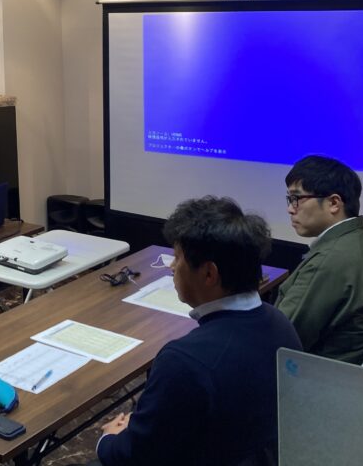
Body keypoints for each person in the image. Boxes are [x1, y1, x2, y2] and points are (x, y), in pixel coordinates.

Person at [96, 196, 301, 466]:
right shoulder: (281, 323)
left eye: (177, 258)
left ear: (208, 274)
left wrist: (108, 439)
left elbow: (136, 456)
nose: (171, 267)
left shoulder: (184, 361)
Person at [275, 155, 363, 364]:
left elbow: (279, 339)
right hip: (347, 371)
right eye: (289, 199)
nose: (290, 208)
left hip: (311, 372)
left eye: (297, 198)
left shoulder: (328, 263)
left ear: (334, 203)